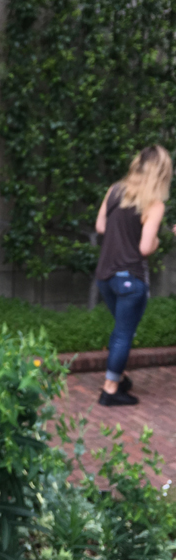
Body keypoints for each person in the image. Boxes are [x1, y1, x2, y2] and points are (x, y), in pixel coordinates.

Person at [95, 145, 172, 407]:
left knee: (120, 330)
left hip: (105, 275)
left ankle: (120, 376)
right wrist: (158, 242)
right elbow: (145, 247)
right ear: (162, 172)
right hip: (131, 279)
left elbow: (101, 226)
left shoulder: (115, 190)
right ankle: (111, 388)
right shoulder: (154, 204)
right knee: (123, 333)